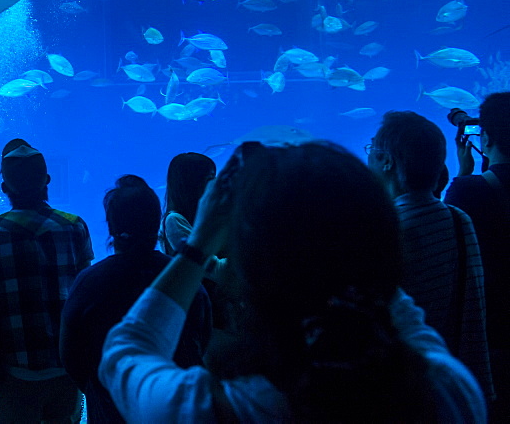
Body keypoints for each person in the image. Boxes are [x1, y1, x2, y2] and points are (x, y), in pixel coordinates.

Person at [100, 141, 487, 422]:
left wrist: (200, 242)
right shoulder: (449, 391)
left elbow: (126, 350)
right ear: (385, 245)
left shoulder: (206, 409)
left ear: (252, 269)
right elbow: (391, 301)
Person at [0, 139, 94, 424]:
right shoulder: (75, 225)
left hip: (12, 368)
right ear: (47, 181)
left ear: (4, 188)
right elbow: (85, 292)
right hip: (65, 364)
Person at [60, 175, 211, 424]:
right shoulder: (184, 276)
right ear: (156, 222)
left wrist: (97, 389)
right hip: (177, 407)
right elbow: (201, 336)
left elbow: (70, 354)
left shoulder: (89, 282)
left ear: (111, 226)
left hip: (110, 408)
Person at [368, 111, 492, 400]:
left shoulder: (385, 234)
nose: (368, 160)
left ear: (387, 161)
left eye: (372, 150)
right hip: (459, 386)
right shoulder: (460, 219)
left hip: (405, 394)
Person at [446, 92, 510, 418]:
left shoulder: (468, 190)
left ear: (484, 137)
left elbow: (448, 238)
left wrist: (464, 172)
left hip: (494, 337)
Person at [158, 153, 215, 256]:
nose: (215, 184)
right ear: (193, 183)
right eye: (210, 179)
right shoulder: (174, 220)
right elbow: (207, 265)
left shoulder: (205, 214)